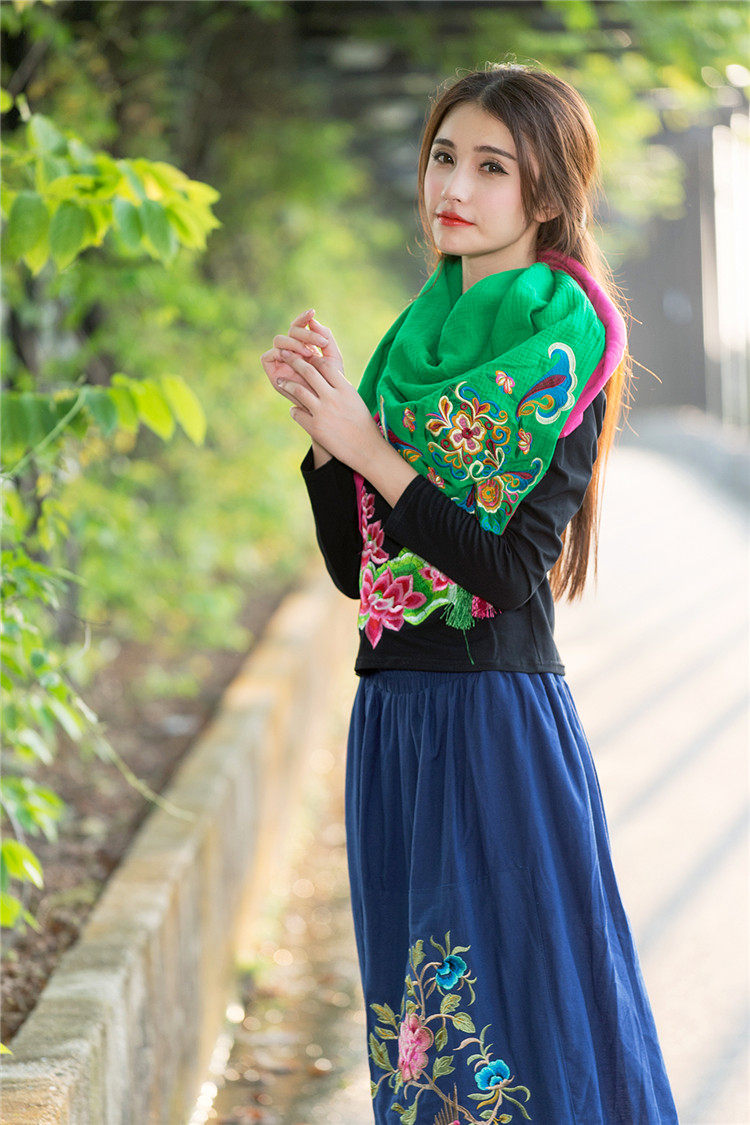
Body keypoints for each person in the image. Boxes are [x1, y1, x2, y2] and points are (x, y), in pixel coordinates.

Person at [261, 62, 679, 1125]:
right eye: (445, 156)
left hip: (493, 727)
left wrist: (371, 447)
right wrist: (330, 438)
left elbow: (501, 572)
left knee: (518, 1033)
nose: (454, 186)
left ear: (546, 195)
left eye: (492, 167)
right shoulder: (410, 349)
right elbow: (364, 574)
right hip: (394, 724)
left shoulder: (565, 350)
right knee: (424, 1050)